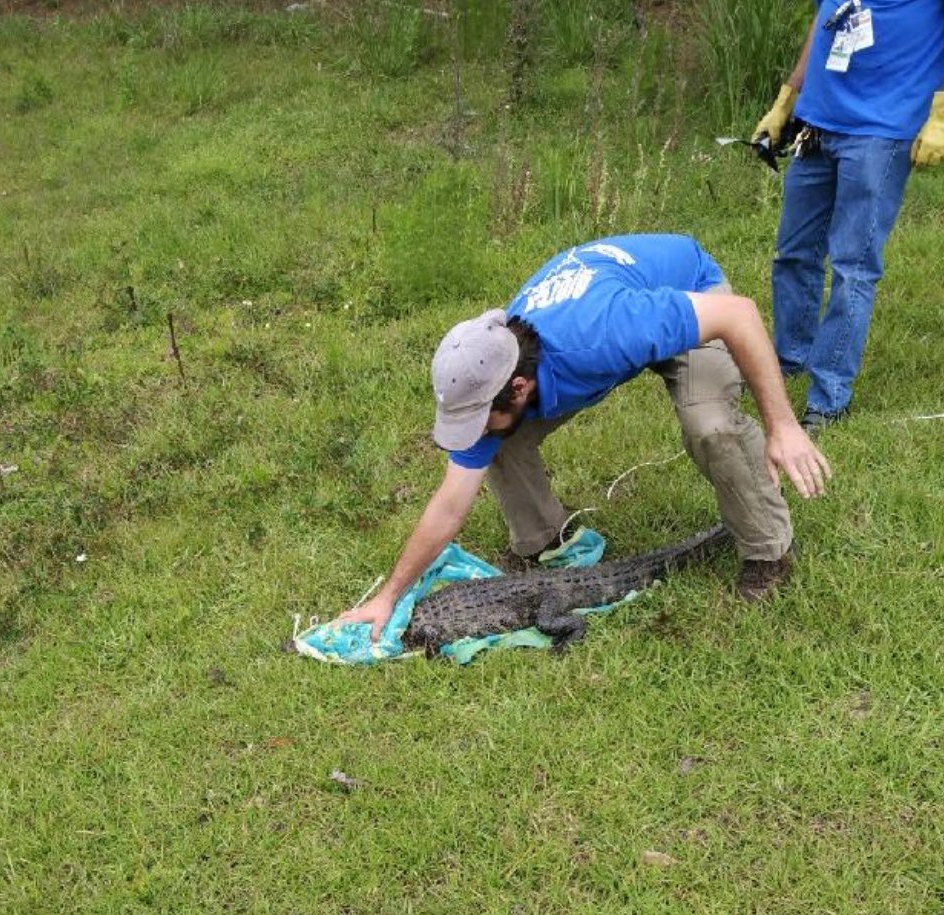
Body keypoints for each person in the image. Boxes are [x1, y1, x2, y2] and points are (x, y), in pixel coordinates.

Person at [338, 234, 831, 641]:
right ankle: (544, 543)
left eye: (481, 418)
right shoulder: (493, 366)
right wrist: (389, 595)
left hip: (687, 292)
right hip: (622, 313)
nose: (475, 432)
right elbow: (449, 503)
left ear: (519, 386)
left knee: (711, 427)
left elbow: (739, 315)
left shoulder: (597, 334)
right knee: (501, 443)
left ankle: (768, 553)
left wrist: (783, 426)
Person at [753, 0, 944, 432]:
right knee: (793, 253)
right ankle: (790, 358)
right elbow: (826, 17)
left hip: (882, 129)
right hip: (819, 122)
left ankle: (828, 397)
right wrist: (790, 97)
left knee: (853, 267)